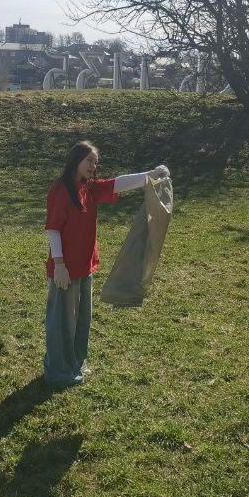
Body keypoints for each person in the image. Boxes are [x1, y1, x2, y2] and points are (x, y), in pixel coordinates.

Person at [44, 142, 169, 387]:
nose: (93, 166)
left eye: (96, 162)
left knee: (81, 320)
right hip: (65, 269)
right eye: (89, 160)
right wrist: (59, 265)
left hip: (85, 266)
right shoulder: (60, 190)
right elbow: (54, 229)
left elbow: (118, 183)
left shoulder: (89, 188)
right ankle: (59, 371)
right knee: (62, 322)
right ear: (76, 160)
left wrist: (151, 175)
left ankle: (76, 362)